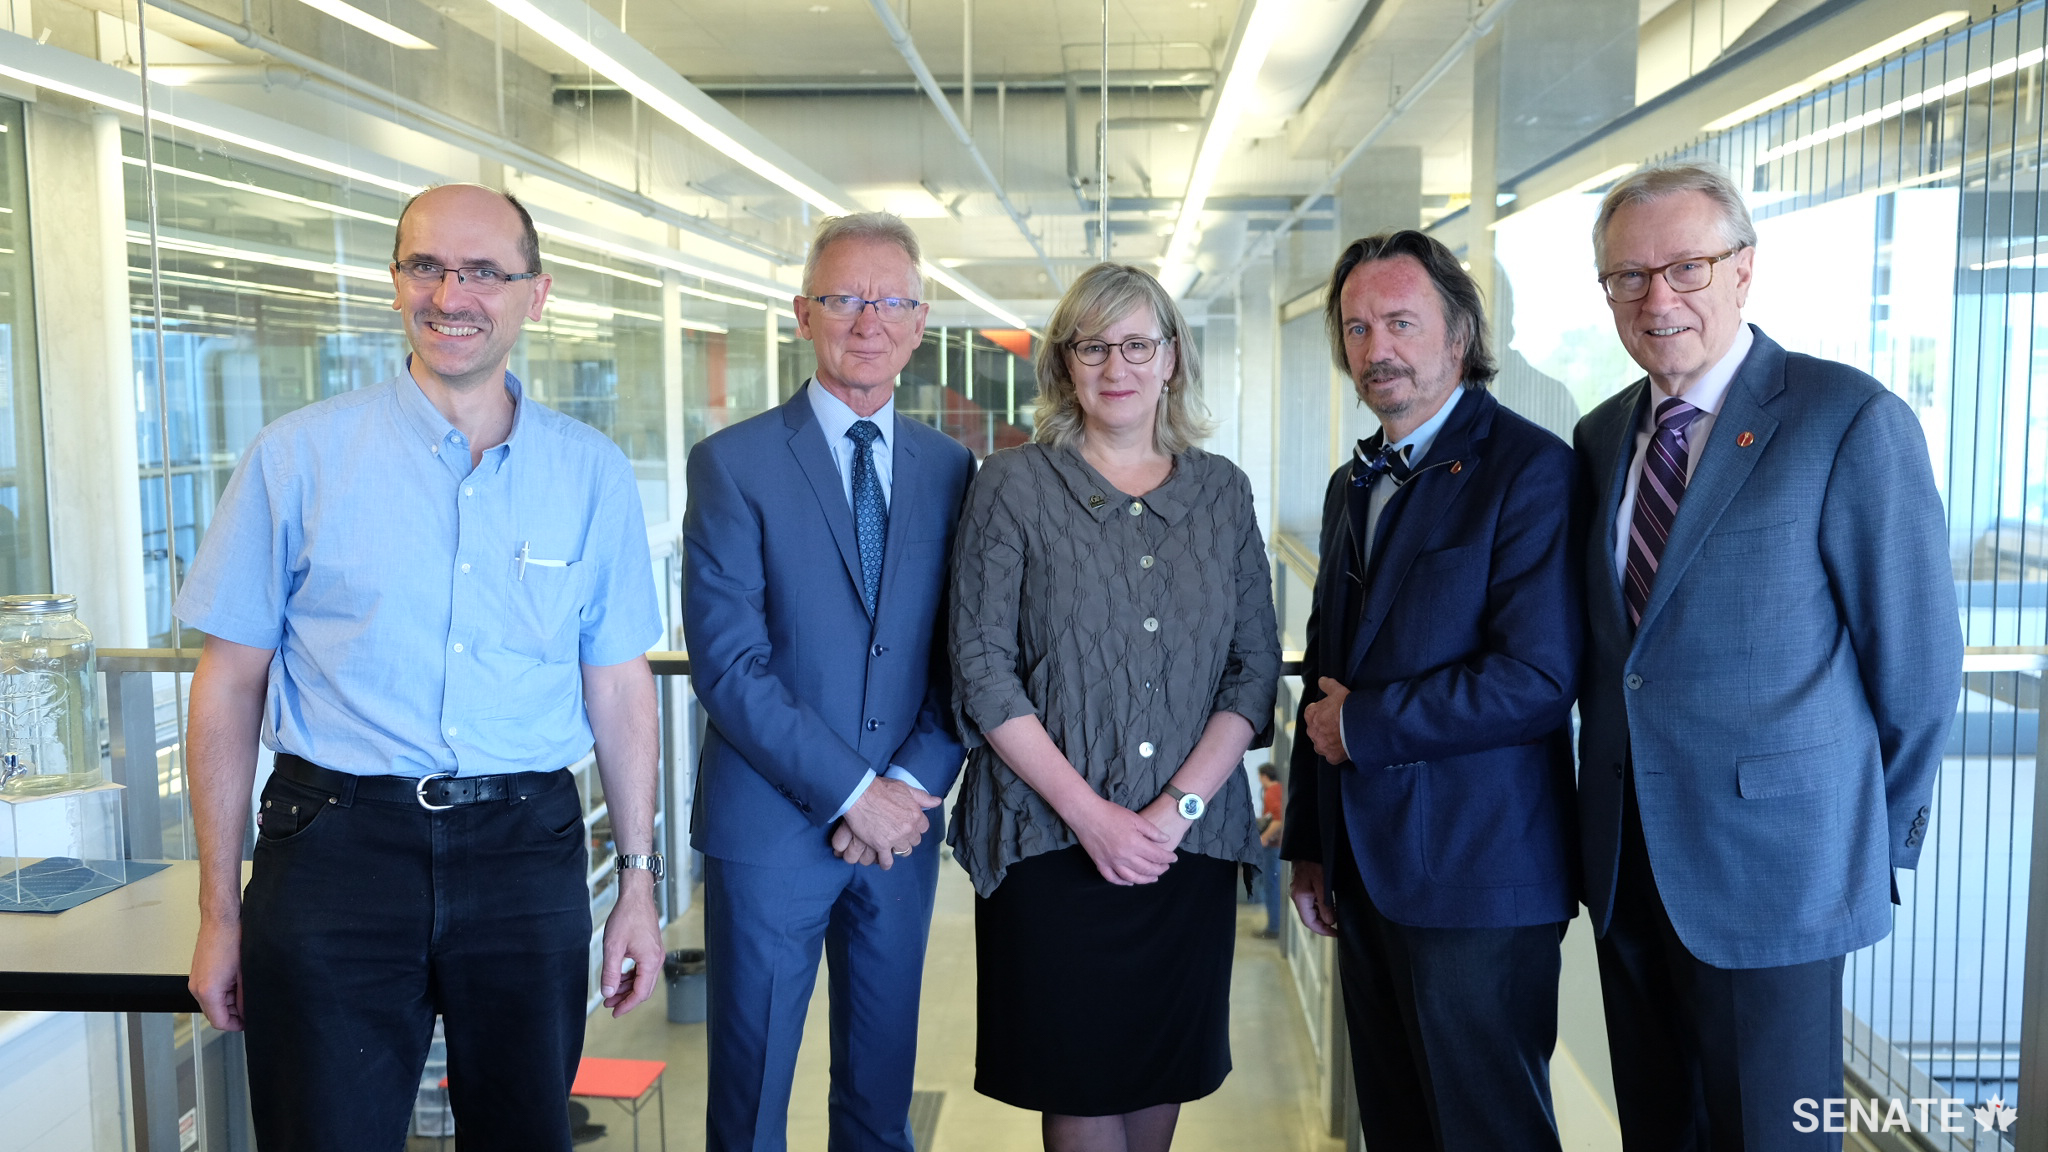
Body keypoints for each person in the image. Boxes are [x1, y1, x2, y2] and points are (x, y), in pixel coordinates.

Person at [178, 183, 666, 1150]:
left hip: (526, 850)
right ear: (395, 280)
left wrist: (639, 887)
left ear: (537, 293)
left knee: (525, 1135)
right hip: (333, 853)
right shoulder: (298, 458)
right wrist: (217, 910)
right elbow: (228, 684)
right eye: (427, 266)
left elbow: (618, 686)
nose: (453, 293)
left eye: (486, 270)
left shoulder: (591, 473)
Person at [1574, 162, 1962, 1148]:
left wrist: (1867, 849)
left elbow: (1913, 672)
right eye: (1627, 276)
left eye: (1685, 267)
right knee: (1659, 1130)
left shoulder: (1846, 420)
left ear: (1742, 270)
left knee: (1772, 1136)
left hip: (1778, 874)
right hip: (1629, 867)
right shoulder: (1597, 435)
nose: (1656, 298)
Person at [949, 261, 1280, 1152]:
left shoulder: (1222, 493)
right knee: (1082, 1085)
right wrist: (1095, 818)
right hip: (1053, 846)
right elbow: (981, 667)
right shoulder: (1011, 487)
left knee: (1158, 1078)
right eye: (1093, 345)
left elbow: (1252, 671)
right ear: (1065, 363)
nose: (1117, 365)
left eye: (1138, 343)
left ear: (1173, 358)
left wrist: (1176, 813)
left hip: (1185, 853)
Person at [1281, 229, 1580, 1152]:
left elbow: (1536, 678)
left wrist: (1361, 726)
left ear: (1459, 335)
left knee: (1487, 1130)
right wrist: (1307, 840)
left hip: (1477, 872)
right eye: (1358, 328)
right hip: (1365, 869)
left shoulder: (1530, 469)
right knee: (1398, 1124)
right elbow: (1325, 658)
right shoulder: (1350, 482)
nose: (1378, 350)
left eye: (1402, 323)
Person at [683, 211, 974, 1152]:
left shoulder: (953, 469)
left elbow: (963, 655)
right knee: (752, 1101)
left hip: (901, 835)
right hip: (769, 832)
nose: (866, 320)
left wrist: (911, 788)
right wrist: (856, 792)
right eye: (844, 298)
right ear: (802, 314)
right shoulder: (733, 464)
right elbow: (730, 665)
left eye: (889, 300)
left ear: (920, 322)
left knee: (880, 1100)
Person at [1255, 764, 1284, 939]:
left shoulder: (1271, 791)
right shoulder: (1280, 788)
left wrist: (1264, 837)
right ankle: (1274, 925)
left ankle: (1273, 928)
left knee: (1270, 887)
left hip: (1273, 847)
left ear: (1264, 776)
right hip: (1279, 846)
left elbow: (1278, 819)